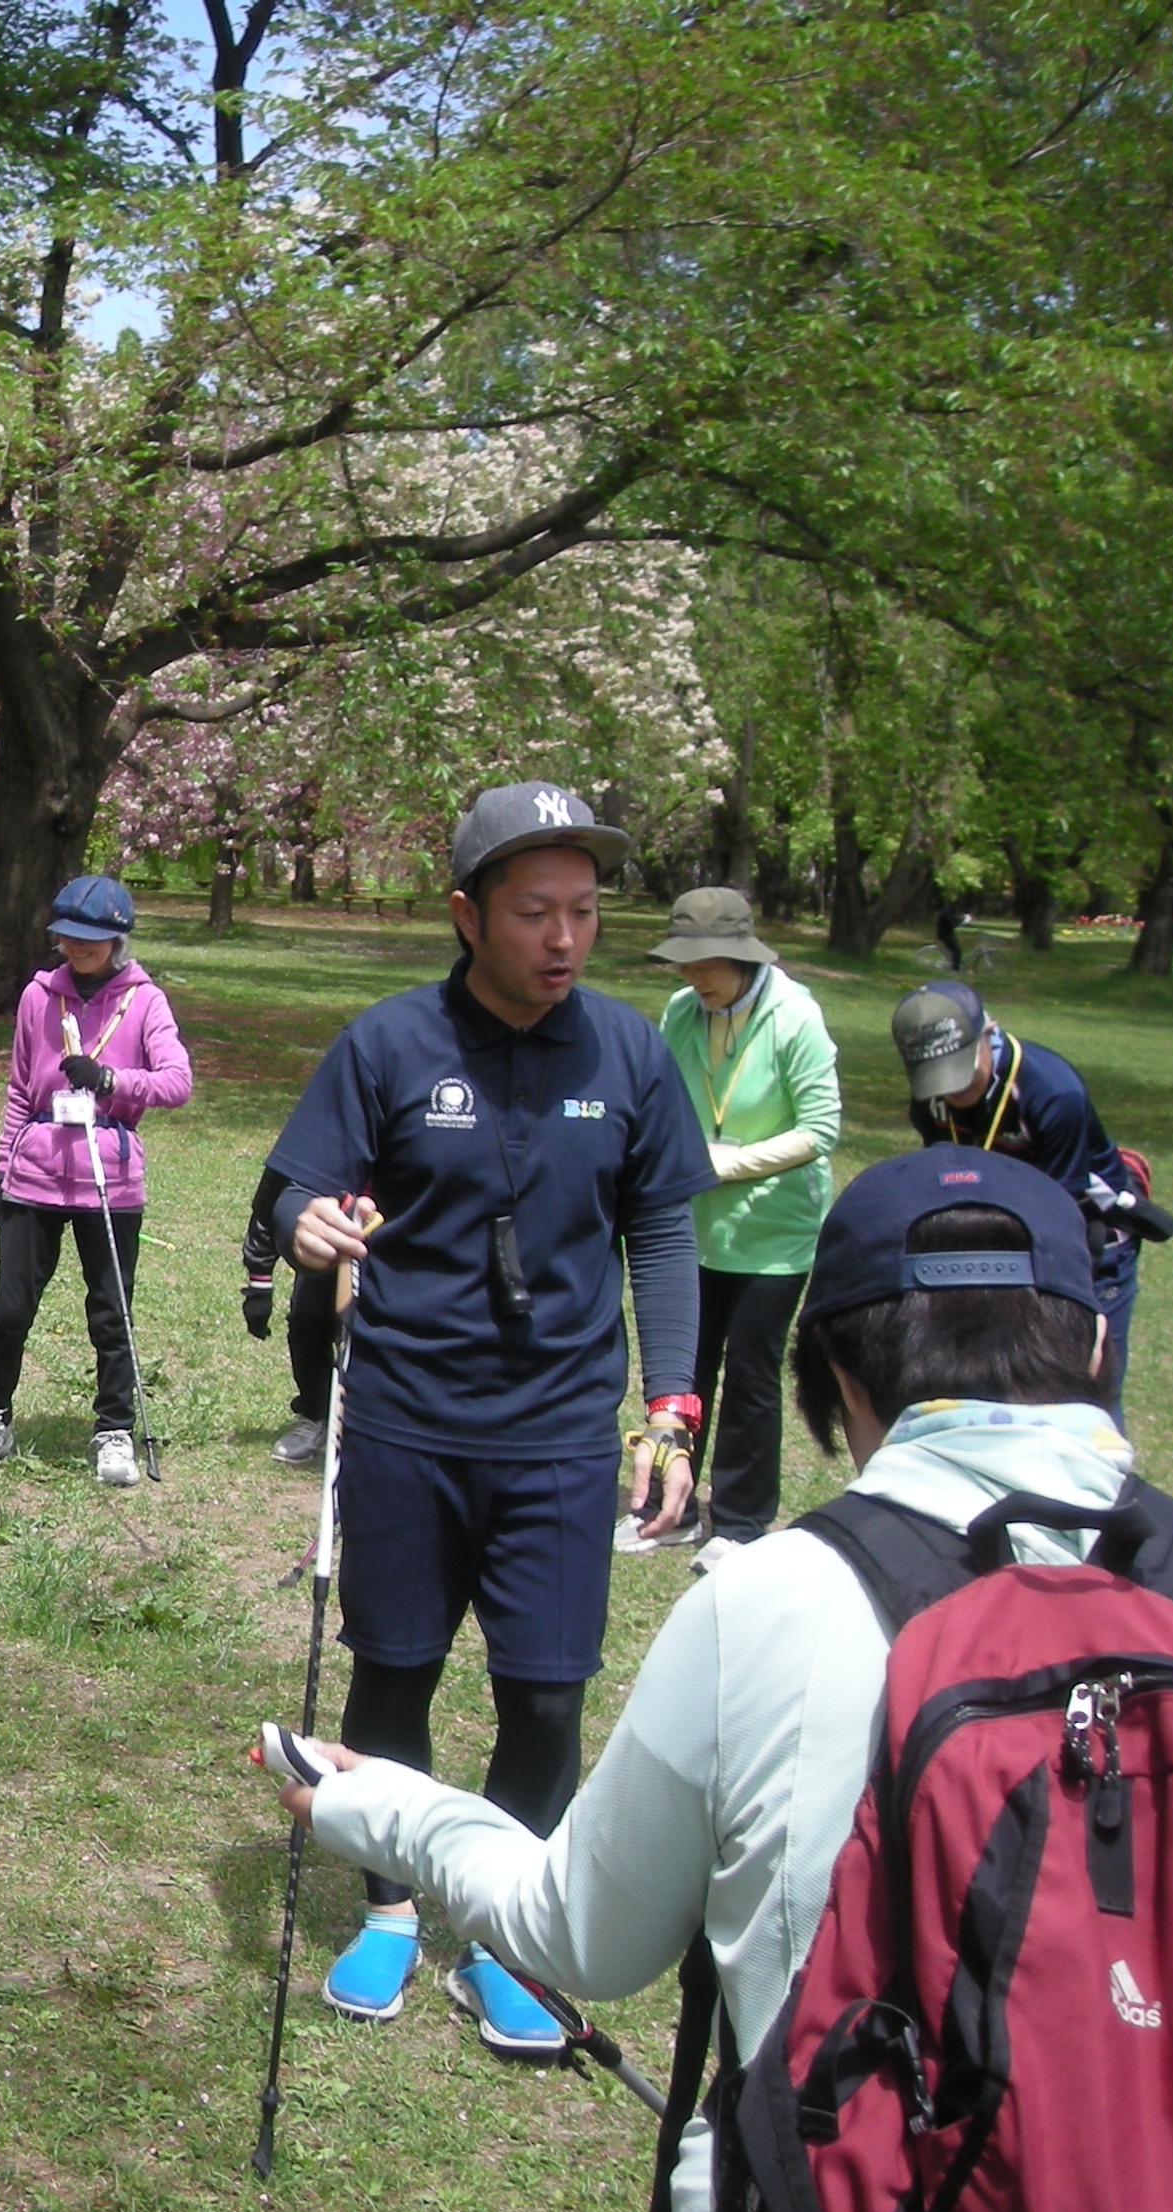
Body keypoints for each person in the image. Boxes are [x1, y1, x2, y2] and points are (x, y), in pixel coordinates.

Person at [255, 1145, 1148, 2212]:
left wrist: (376, 1803)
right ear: (1096, 1345)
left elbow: (584, 1935)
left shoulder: (773, 1602)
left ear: (831, 1370)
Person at [264, 781, 714, 2057]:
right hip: (409, 1421)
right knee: (392, 1671)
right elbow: (303, 1183)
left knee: (549, 1698)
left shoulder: (629, 1053)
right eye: (534, 913)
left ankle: (506, 1935)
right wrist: (308, 1224)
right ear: (468, 915)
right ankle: (394, 1908)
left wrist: (670, 1407)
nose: (564, 938)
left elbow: (666, 1230)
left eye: (582, 910)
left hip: (563, 1433)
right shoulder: (391, 1044)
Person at [0, 875, 193, 1487]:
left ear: (118, 939)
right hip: (34, 1176)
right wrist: (3, 1168)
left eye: (93, 938)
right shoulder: (39, 996)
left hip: (110, 1182)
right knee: (11, 1308)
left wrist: (112, 1080)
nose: (78, 948)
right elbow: (17, 1087)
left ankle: (114, 1429)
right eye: (68, 937)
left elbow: (176, 1083)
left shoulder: (146, 1001)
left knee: (111, 1313)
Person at [642, 888, 840, 1567]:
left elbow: (821, 1129)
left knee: (751, 1375)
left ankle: (740, 1523)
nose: (691, 976)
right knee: (684, 1369)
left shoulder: (795, 1018)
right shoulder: (681, 1011)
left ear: (739, 956)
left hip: (773, 1234)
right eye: (683, 964)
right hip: (694, 1224)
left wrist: (728, 1163)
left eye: (703, 965)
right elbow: (660, 1097)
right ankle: (667, 1508)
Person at [893, 976, 1151, 1414]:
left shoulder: (1053, 1092)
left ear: (988, 1033)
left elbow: (1060, 1214)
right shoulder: (931, 1099)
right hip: (998, 1240)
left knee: (1082, 1392)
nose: (952, 1092)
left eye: (959, 1069)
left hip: (1086, 1239)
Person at [243, 1162, 339, 1468]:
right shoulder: (319, 1130)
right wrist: (259, 1284)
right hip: (326, 1235)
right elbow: (268, 1202)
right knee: (307, 1321)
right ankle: (314, 1414)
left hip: (398, 1236)